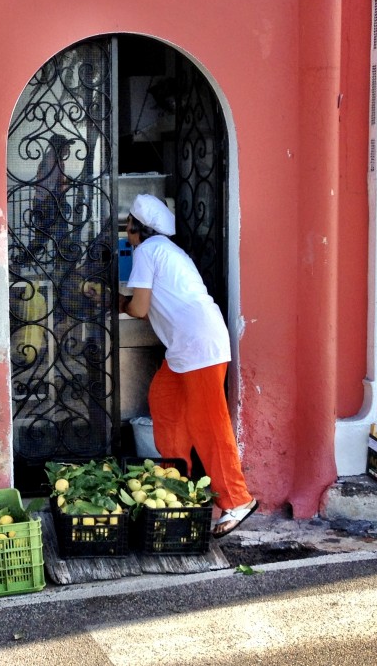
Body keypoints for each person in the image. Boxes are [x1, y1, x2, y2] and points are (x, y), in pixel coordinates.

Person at [119, 194, 257, 538]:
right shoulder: (167, 251)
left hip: (199, 347)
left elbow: (137, 308)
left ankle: (237, 500)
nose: (126, 234)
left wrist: (112, 299)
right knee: (164, 402)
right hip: (188, 347)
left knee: (209, 424)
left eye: (128, 228)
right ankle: (175, 486)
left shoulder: (147, 251)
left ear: (137, 228)